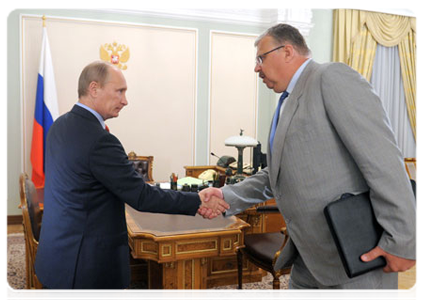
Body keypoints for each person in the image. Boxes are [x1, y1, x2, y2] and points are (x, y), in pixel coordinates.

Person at [200, 23, 419, 300]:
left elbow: (383, 161)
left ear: (288, 51)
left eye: (261, 58)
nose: (257, 68)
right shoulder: (287, 102)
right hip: (308, 256)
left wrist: (402, 242)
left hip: (352, 257)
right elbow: (276, 174)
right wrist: (225, 194)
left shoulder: (331, 78)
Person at [34, 61, 227, 300]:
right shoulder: (99, 140)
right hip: (81, 263)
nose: (125, 100)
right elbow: (141, 196)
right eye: (120, 91)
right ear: (94, 88)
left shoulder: (59, 125)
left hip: (58, 254)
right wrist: (196, 200)